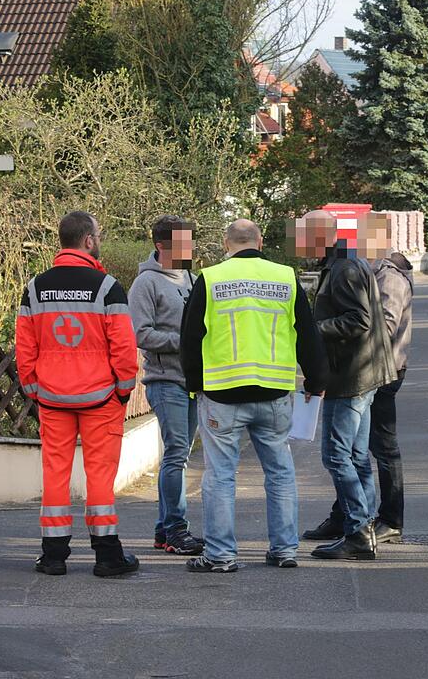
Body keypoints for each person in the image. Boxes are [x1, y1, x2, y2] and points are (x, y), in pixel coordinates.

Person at [180, 219, 328, 573]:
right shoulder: (285, 277)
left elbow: (190, 337)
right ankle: (284, 550)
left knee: (220, 476)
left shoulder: (211, 279)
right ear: (260, 241)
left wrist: (193, 383)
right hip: (274, 393)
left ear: (225, 242)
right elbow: (307, 333)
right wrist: (316, 379)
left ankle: (221, 555)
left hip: (222, 394)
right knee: (280, 473)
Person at [16, 211, 141, 578]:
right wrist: (123, 389)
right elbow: (123, 345)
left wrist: (34, 389)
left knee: (55, 474)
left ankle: (53, 555)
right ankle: (107, 555)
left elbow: (25, 346)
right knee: (99, 476)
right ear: (88, 240)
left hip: (53, 398)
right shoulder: (106, 287)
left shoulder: (35, 288)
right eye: (98, 235)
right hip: (100, 397)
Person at [304, 214, 414, 545]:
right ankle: (358, 523)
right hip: (361, 372)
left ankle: (368, 525)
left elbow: (370, 324)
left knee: (346, 453)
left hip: (364, 373)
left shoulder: (357, 270)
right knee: (355, 454)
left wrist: (310, 331)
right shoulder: (344, 266)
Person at [129, 215, 203, 556]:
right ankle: (176, 528)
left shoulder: (189, 278)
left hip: (190, 380)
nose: (190, 249)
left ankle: (165, 530)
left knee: (181, 454)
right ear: (162, 246)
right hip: (164, 381)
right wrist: (184, 342)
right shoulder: (146, 284)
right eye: (183, 243)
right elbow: (142, 334)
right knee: (176, 455)